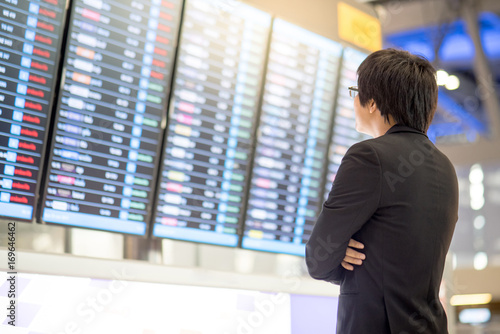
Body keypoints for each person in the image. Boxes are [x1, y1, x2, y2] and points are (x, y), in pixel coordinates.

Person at [305, 49, 459, 333]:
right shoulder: (445, 167)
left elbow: (318, 257)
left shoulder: (368, 157)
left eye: (356, 92)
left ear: (373, 101)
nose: (354, 101)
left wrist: (339, 252)